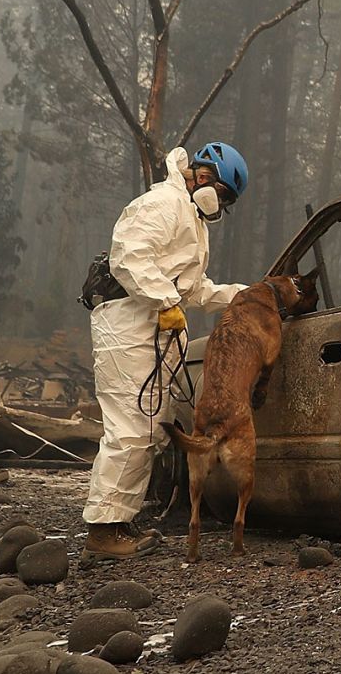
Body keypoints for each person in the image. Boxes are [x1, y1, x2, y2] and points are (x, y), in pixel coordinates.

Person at [83, 142, 250, 560]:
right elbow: (129, 258)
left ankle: (120, 520)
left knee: (150, 425)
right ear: (205, 177)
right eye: (223, 196)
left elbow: (193, 289)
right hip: (127, 325)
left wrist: (243, 297)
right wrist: (164, 301)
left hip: (147, 327)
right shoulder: (163, 203)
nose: (220, 206)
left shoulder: (190, 219)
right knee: (129, 428)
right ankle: (104, 531)